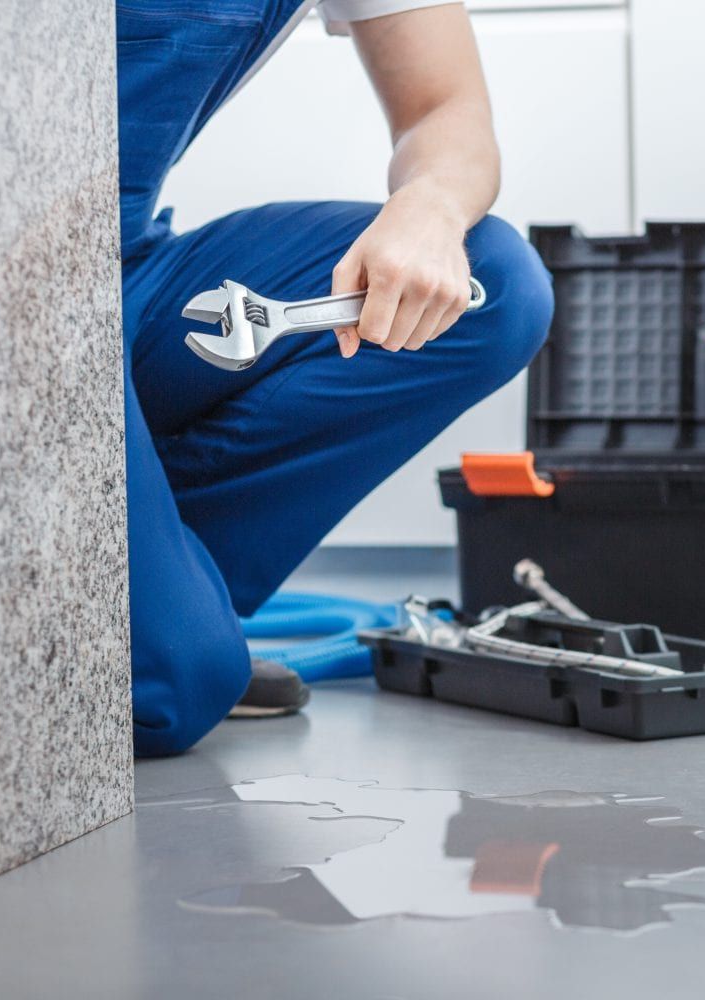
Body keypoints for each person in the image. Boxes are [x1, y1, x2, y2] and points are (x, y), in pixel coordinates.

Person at [118, 0, 554, 757]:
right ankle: (161, 631)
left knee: (494, 284)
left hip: (123, 271)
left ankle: (165, 607)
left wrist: (431, 203)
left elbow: (443, 105)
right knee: (174, 690)